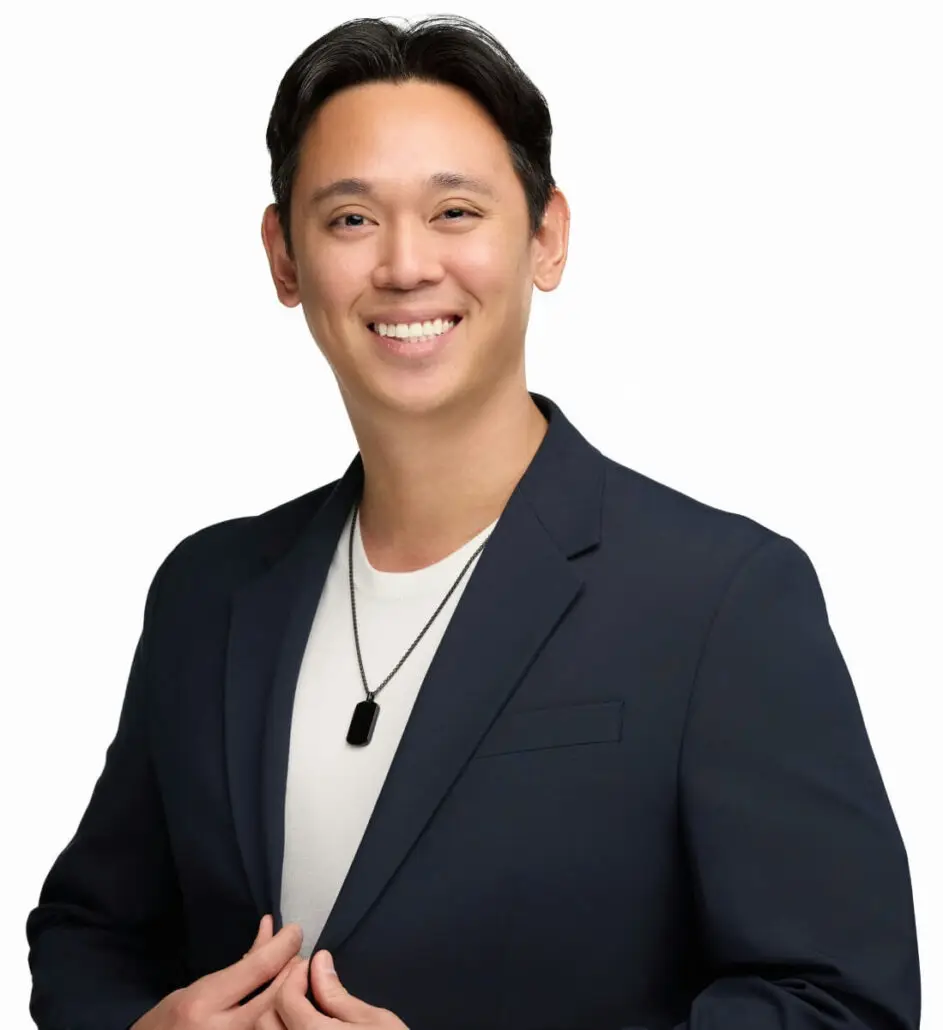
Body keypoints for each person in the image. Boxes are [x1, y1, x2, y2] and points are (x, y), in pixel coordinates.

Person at [26, 13, 921, 1030]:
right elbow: (92, 927)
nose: (406, 265)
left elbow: (842, 1005)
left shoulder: (721, 597)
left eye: (456, 212)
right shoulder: (208, 589)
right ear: (284, 257)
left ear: (545, 238)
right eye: (350, 219)